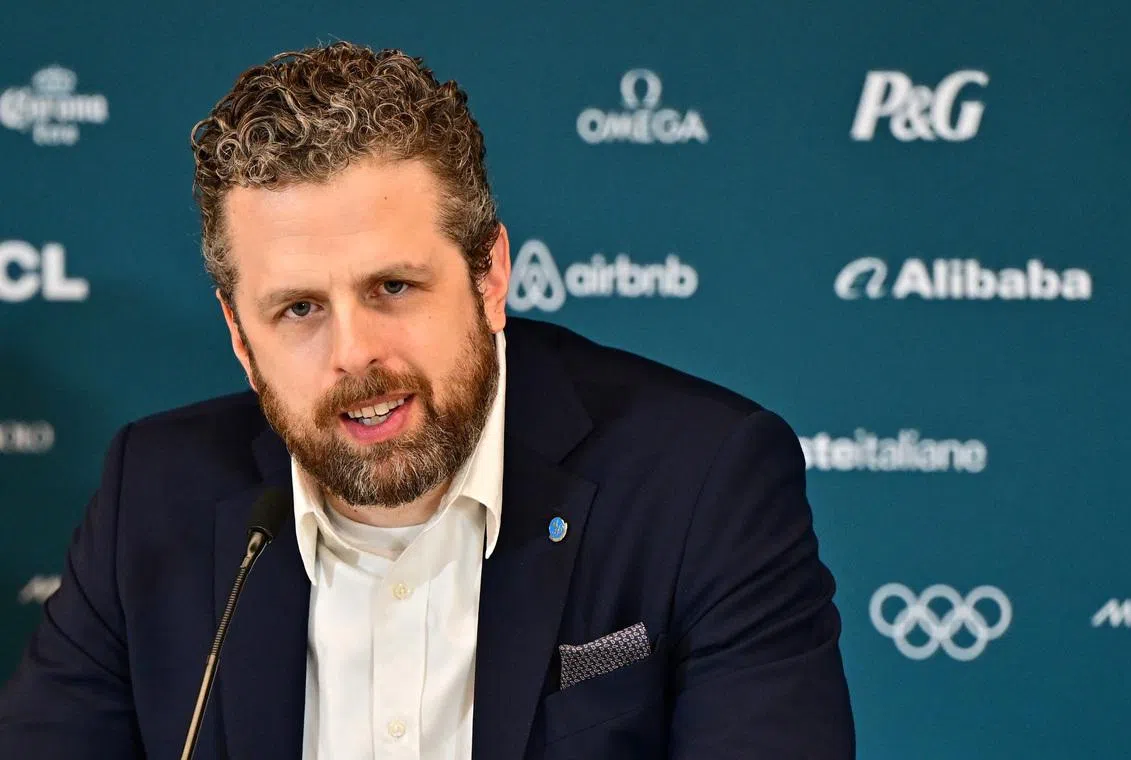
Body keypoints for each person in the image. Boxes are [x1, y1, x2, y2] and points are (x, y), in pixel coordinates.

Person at [0, 42, 855, 759]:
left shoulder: (704, 481)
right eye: (298, 309)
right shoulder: (151, 496)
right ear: (237, 333)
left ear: (489, 277)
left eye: (395, 287)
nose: (355, 354)